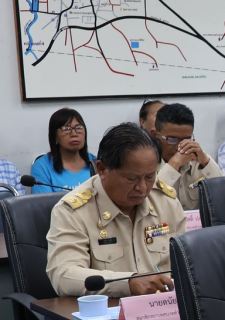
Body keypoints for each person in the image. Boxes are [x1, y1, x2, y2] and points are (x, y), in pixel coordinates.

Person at [45, 123, 185, 298]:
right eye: (131, 178)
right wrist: (128, 282)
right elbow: (64, 275)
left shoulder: (165, 201)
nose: (142, 188)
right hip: (109, 315)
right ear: (102, 169)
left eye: (150, 176)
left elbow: (186, 263)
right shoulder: (72, 211)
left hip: (166, 309)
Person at [153, 103, 223, 210]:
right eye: (172, 139)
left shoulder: (198, 158)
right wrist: (174, 164)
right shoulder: (147, 163)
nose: (180, 146)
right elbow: (150, 197)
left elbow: (223, 190)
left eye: (186, 139)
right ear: (155, 135)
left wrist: (205, 162)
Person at [30, 108, 96, 193]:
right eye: (66, 129)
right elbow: (43, 204)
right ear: (55, 137)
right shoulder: (42, 166)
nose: (74, 134)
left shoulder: (97, 163)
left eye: (78, 127)